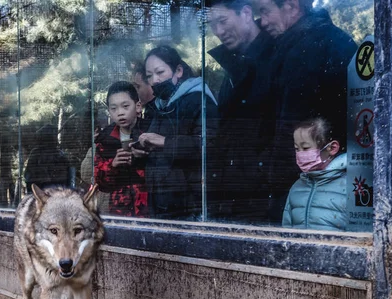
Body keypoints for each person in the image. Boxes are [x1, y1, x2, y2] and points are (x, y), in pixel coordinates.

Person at [254, 0, 357, 223]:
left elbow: (291, 121)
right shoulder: (293, 45)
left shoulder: (311, 48)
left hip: (315, 183)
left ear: (291, 6)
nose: (262, 22)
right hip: (307, 182)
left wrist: (276, 177)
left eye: (265, 11)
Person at [206, 0, 275, 223]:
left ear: (246, 13)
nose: (218, 31)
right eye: (212, 25)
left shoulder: (275, 56)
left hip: (263, 204)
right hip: (233, 202)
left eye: (223, 21)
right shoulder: (232, 71)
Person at [137, 45, 218, 220]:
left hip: (190, 207)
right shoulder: (160, 106)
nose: (155, 81)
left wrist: (165, 142)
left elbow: (209, 146)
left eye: (160, 72)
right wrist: (141, 152)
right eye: (149, 76)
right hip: (162, 203)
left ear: (178, 70)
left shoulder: (199, 100)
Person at [94, 81, 148, 217]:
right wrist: (113, 165)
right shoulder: (105, 139)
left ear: (138, 107)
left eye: (125, 106)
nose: (120, 113)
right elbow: (100, 184)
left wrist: (142, 160)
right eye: (114, 108)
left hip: (149, 209)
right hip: (120, 211)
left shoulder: (150, 132)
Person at [282, 118, 347, 231]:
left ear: (332, 148)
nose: (300, 154)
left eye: (306, 148)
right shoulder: (297, 187)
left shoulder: (350, 185)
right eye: (297, 149)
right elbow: (286, 228)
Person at [24, 124, 71, 189]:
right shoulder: (37, 153)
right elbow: (29, 176)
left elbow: (28, 176)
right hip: (42, 192)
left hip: (57, 192)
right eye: (54, 136)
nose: (56, 138)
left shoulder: (59, 154)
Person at [130, 62, 156, 128]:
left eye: (138, 87)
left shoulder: (160, 111)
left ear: (151, 84)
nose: (135, 92)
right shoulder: (150, 108)